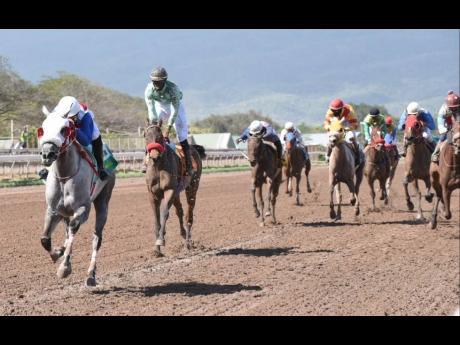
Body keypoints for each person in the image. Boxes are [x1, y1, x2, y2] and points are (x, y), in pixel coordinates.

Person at [38, 96, 108, 181]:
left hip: (83, 127)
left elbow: (86, 141)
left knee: (96, 138)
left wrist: (75, 129)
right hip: (68, 126)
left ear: (77, 114)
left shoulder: (85, 116)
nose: (68, 119)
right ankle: (48, 169)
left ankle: (101, 168)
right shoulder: (57, 112)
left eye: (71, 118)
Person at [144, 66, 193, 176]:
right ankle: (146, 159)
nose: (156, 85)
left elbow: (174, 111)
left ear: (164, 81)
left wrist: (167, 129)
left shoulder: (173, 89)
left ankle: (189, 165)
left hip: (174, 106)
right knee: (152, 131)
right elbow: (151, 110)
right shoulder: (148, 90)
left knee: (181, 135)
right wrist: (155, 125)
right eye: (154, 82)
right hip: (159, 105)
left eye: (159, 82)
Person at [323, 98, 360, 165]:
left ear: (342, 109)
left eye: (337, 110)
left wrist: (346, 129)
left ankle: (358, 156)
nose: (335, 112)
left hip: (347, 126)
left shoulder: (349, 111)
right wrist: (328, 127)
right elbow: (326, 123)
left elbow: (355, 125)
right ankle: (328, 156)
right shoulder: (330, 112)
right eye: (333, 110)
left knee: (351, 138)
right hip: (334, 128)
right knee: (329, 140)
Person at [432, 91, 459, 162]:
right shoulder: (443, 109)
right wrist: (444, 129)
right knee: (443, 138)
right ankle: (436, 153)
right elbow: (440, 120)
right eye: (451, 107)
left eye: (456, 107)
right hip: (448, 127)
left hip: (458, 127)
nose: (454, 109)